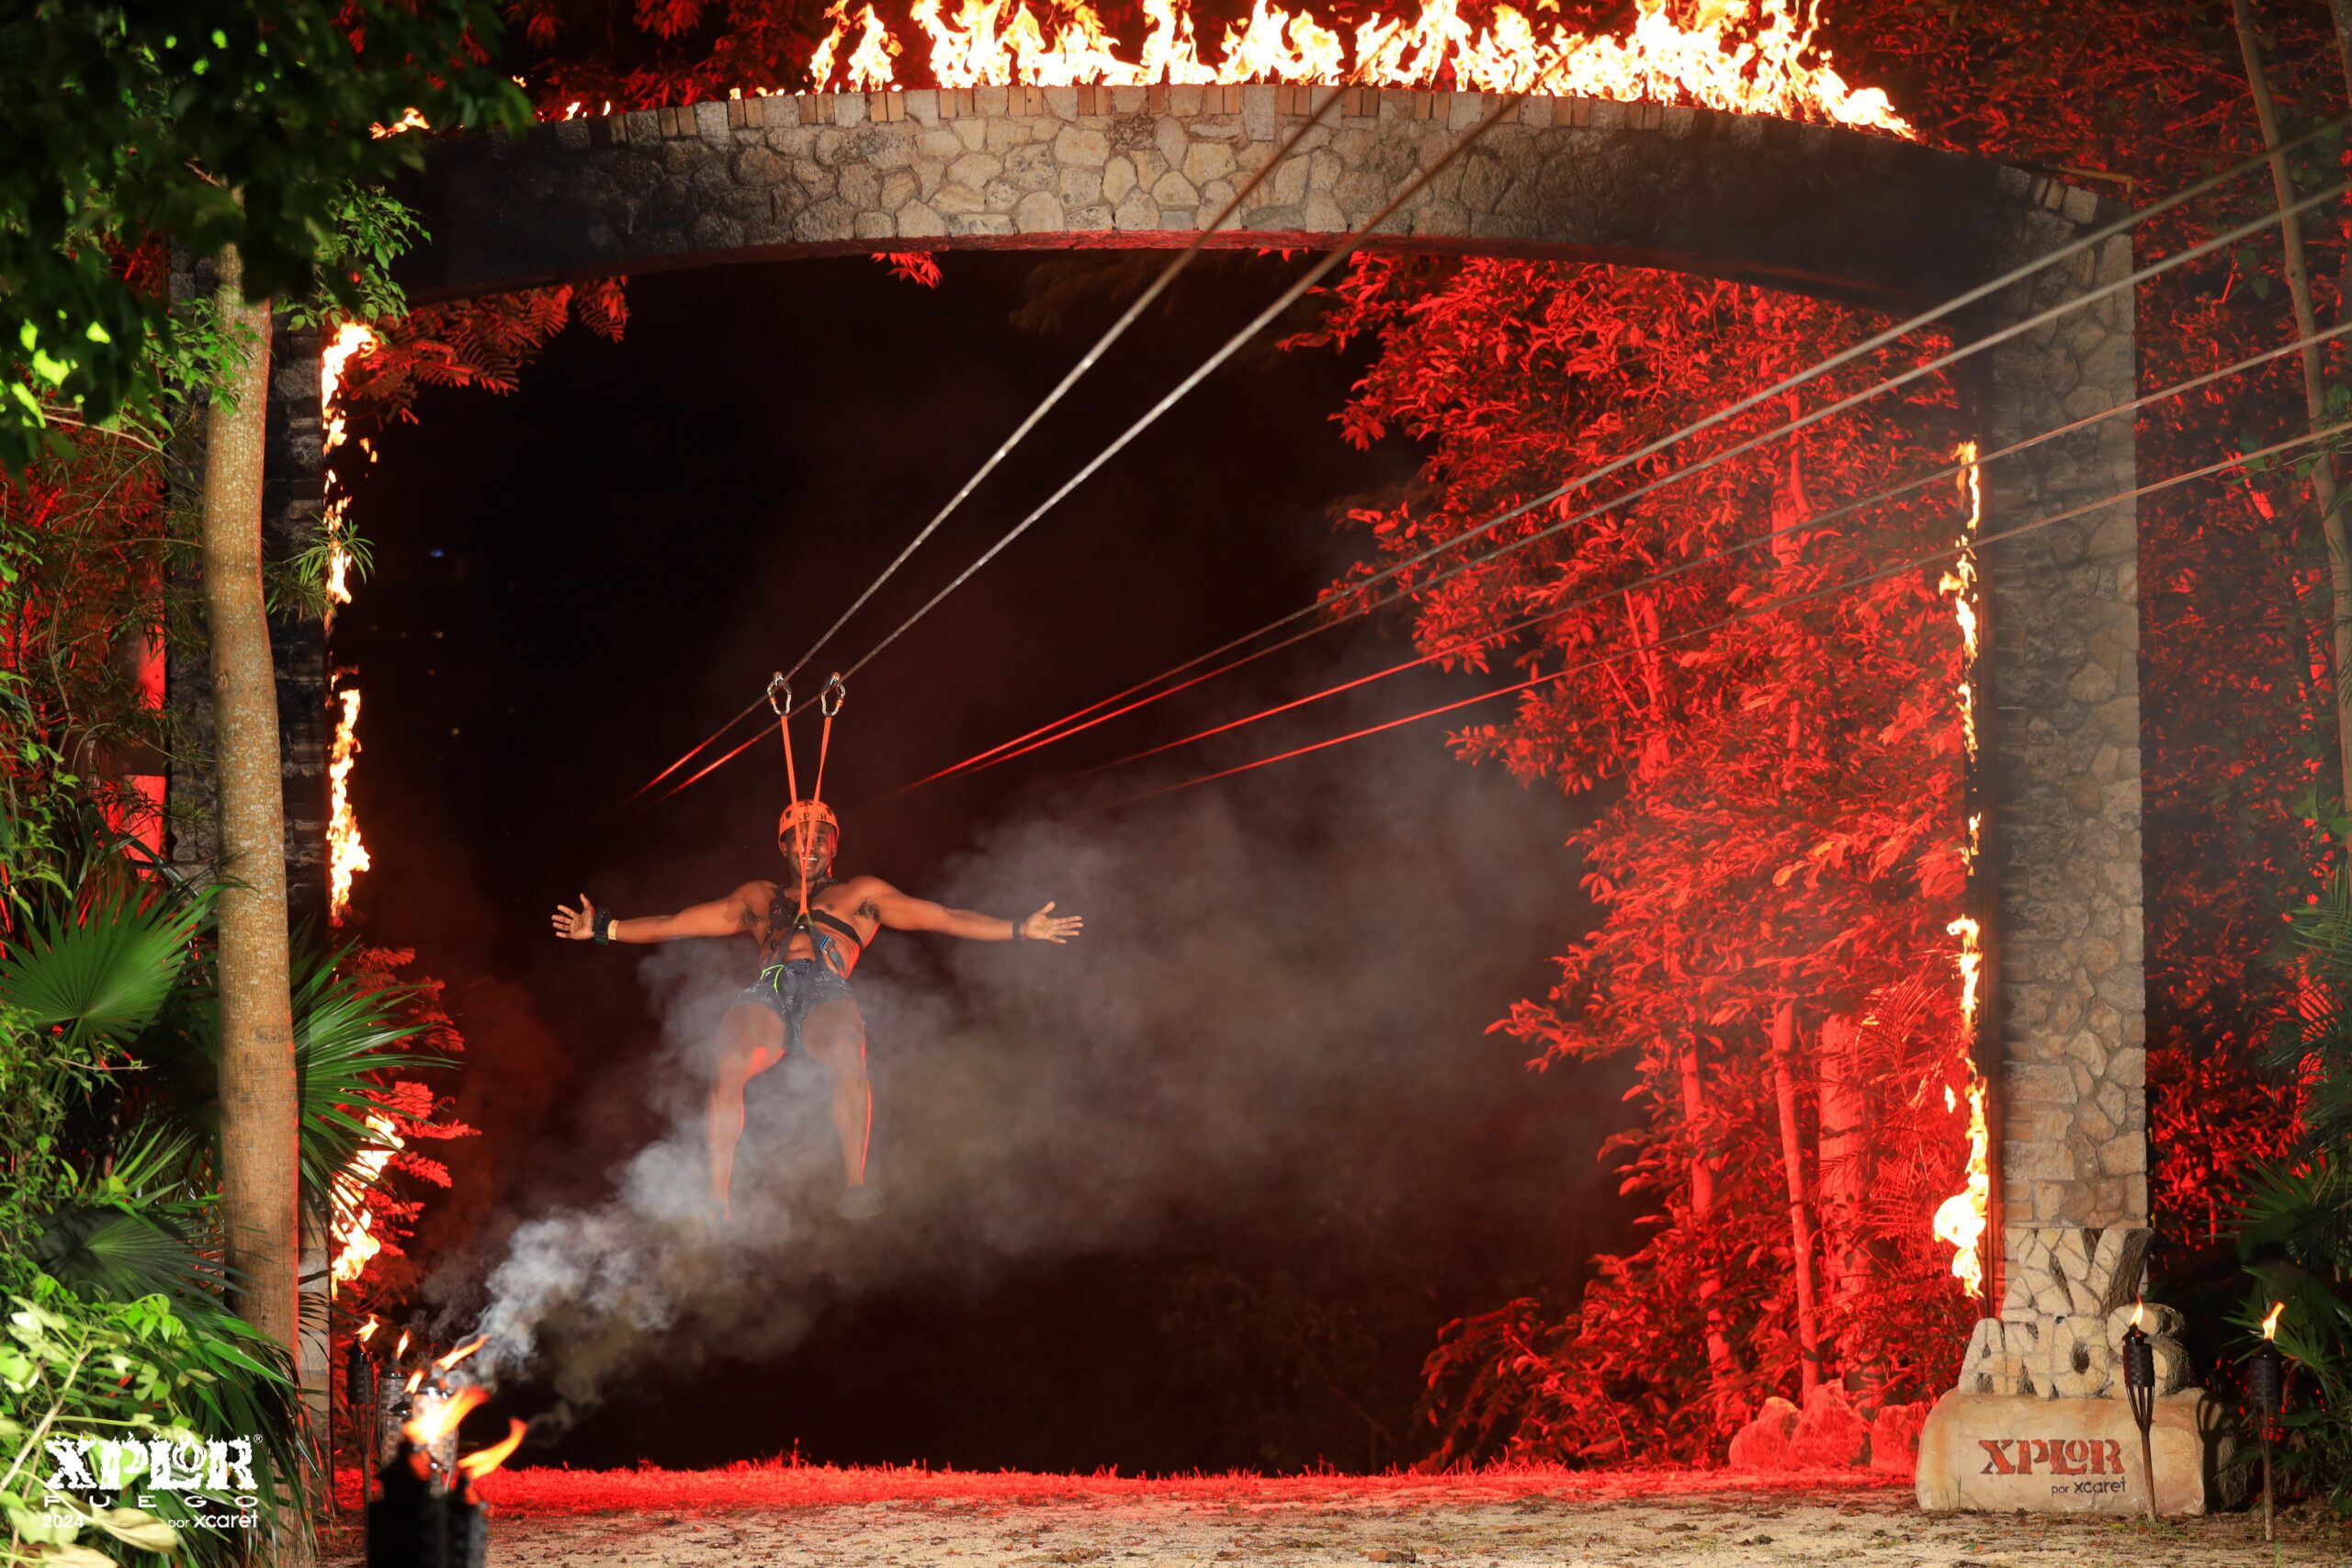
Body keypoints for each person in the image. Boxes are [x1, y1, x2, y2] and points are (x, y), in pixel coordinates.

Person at [551, 799, 1080, 1221]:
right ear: (784, 848)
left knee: (850, 1053)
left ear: (833, 847)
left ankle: (855, 1184)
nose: (809, 847)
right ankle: (718, 1196)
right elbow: (675, 923)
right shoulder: (760, 898)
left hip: (827, 988)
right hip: (769, 987)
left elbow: (941, 916)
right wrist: (603, 928)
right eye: (798, 840)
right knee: (730, 1063)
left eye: (818, 839)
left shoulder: (860, 895)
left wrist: (1018, 928)